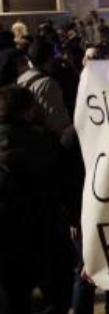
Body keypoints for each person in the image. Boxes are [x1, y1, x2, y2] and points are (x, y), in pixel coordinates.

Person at [0, 85, 74, 314]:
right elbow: (65, 184)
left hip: (7, 241)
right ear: (29, 109)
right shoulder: (44, 143)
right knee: (56, 297)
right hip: (45, 235)